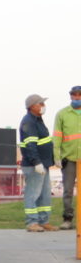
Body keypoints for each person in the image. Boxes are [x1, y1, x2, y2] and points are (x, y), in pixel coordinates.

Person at [20, 94, 58, 232]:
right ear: (32, 106)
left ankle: (43, 221)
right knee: (33, 193)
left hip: (44, 164)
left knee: (45, 194)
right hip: (34, 165)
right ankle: (32, 222)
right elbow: (30, 145)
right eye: (40, 103)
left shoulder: (38, 120)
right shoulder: (29, 122)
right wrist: (36, 162)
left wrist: (52, 160)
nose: (43, 106)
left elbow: (45, 142)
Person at [52, 85, 81, 229]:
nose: (77, 97)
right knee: (68, 190)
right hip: (69, 159)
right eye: (74, 95)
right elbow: (57, 136)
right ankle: (68, 219)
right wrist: (56, 156)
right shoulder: (62, 114)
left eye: (79, 95)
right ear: (70, 96)